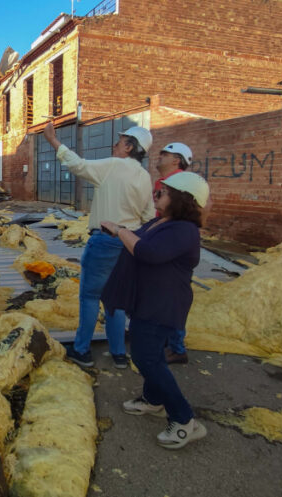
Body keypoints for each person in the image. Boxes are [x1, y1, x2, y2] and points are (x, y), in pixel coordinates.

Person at [99, 171, 210, 449]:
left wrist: (121, 230)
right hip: (149, 300)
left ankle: (185, 420)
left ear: (182, 199)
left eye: (163, 192)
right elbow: (138, 237)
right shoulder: (164, 222)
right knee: (151, 354)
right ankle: (153, 400)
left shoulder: (183, 231)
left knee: (146, 358)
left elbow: (147, 252)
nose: (156, 195)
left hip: (162, 305)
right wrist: (117, 229)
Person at [43, 121, 154, 370]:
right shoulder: (145, 177)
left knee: (91, 296)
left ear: (128, 146)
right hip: (129, 244)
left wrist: (53, 141)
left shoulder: (114, 165)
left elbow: (78, 165)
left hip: (104, 241)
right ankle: (119, 354)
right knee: (115, 300)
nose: (114, 145)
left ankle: (82, 350)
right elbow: (148, 217)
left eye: (119, 142)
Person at [154, 142, 193, 365]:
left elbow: (203, 210)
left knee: (174, 296)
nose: (159, 157)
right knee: (162, 295)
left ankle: (177, 348)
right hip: (164, 238)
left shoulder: (183, 183)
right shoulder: (164, 182)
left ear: (176, 160)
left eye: (164, 154)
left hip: (174, 243)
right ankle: (167, 341)